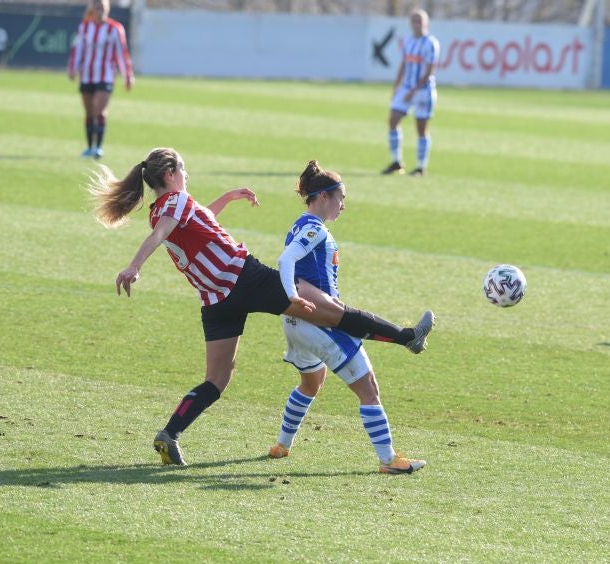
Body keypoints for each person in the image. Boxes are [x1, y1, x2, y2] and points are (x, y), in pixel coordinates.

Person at [90, 148, 435, 466]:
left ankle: (170, 433)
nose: (187, 175)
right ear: (170, 174)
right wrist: (134, 266)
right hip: (244, 278)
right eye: (183, 169)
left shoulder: (160, 210)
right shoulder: (175, 202)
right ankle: (406, 337)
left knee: (216, 380)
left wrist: (228, 197)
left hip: (216, 300)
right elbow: (161, 235)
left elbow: (197, 222)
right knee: (333, 312)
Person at [268, 160, 426, 474]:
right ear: (323, 196)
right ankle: (389, 460)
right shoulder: (314, 228)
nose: (343, 205)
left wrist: (292, 300)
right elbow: (286, 260)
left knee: (311, 382)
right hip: (318, 322)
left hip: (294, 323)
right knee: (369, 389)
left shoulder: (299, 224)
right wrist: (291, 295)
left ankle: (281, 445)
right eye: (341, 198)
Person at [67, 0, 134, 160]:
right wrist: (72, 68)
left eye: (103, 8)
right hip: (87, 75)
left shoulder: (115, 28)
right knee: (89, 112)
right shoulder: (85, 27)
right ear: (93, 9)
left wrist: (127, 75)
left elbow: (122, 53)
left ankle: (98, 147)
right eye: (97, 7)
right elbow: (78, 49)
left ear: (107, 9)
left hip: (105, 76)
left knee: (100, 110)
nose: (100, 11)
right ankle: (90, 147)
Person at [381, 8, 440, 177]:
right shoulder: (408, 41)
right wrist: (397, 86)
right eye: (414, 21)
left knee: (421, 128)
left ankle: (421, 167)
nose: (416, 24)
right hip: (406, 88)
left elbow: (429, 70)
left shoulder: (431, 43)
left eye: (419, 21)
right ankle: (396, 162)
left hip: (423, 90)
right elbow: (404, 64)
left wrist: (413, 90)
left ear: (426, 23)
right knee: (393, 119)